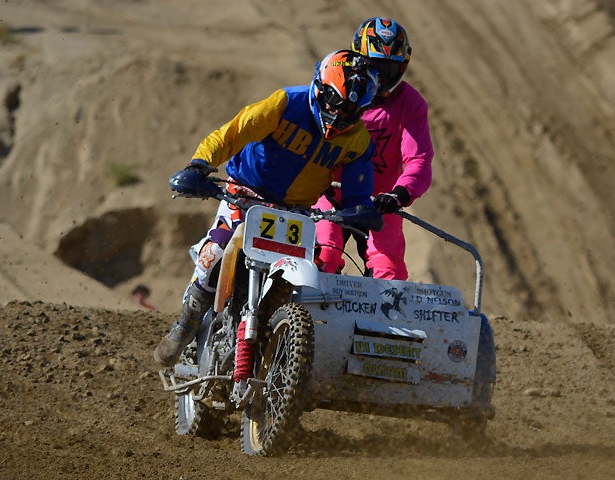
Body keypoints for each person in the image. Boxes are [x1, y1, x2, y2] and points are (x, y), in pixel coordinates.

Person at [154, 49, 382, 367]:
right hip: (245, 193)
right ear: (320, 86)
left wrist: (361, 210)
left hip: (298, 212)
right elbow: (233, 133)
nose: (341, 114)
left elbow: (358, 191)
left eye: (352, 111)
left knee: (313, 273)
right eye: (336, 102)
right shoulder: (286, 103)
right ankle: (187, 322)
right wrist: (199, 164)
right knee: (219, 247)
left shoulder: (358, 140)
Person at [314, 17, 434, 280]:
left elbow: (419, 159)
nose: (381, 78)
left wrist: (400, 194)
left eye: (389, 69)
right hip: (330, 193)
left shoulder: (411, 104)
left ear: (402, 68)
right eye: (375, 67)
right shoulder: (336, 88)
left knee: (389, 272)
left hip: (381, 202)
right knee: (323, 257)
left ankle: (381, 322)